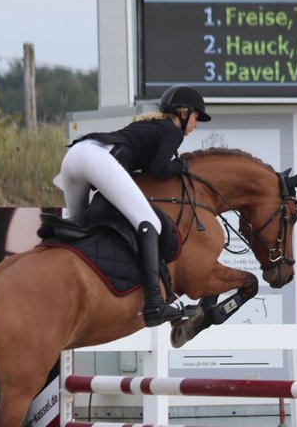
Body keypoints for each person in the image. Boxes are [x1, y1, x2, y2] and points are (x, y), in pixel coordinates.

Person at [56, 84, 211, 326]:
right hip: (96, 159)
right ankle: (155, 305)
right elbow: (159, 169)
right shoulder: (173, 132)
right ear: (183, 113)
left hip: (75, 156)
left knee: (78, 228)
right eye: (196, 118)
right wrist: (181, 166)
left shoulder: (148, 125)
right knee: (149, 223)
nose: (196, 124)